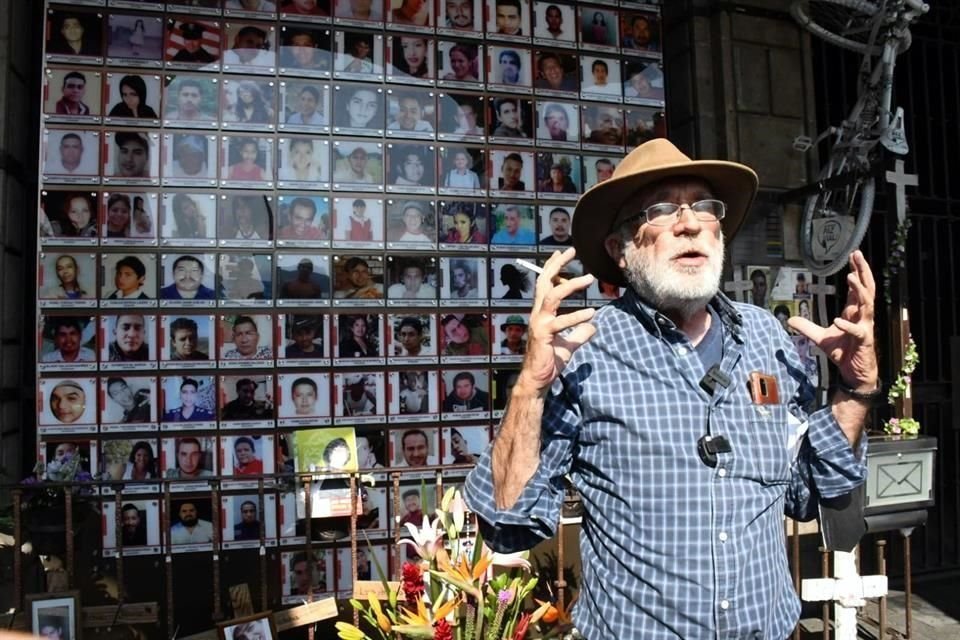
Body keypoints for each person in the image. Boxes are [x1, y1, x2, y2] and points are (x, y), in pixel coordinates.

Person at [464, 138, 878, 639]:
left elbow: (809, 492)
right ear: (620, 250)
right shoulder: (584, 349)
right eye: (660, 210)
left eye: (704, 206)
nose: (689, 222)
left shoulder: (768, 337)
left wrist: (855, 391)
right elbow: (509, 524)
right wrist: (530, 387)